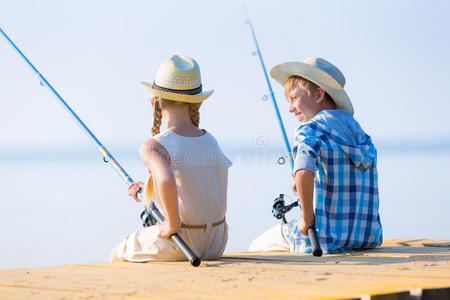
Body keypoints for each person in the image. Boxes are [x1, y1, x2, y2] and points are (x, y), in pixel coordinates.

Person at [249, 57, 382, 254]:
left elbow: (303, 172)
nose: (290, 107)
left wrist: (306, 218)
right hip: (365, 237)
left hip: (323, 238)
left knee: (257, 246)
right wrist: (304, 185)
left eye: (294, 98)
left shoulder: (310, 130)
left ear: (319, 94)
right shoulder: (360, 134)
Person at [110, 55, 232, 262]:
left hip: (181, 241)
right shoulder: (210, 140)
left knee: (116, 253)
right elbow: (191, 183)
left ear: (153, 102)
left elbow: (167, 180)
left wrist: (172, 225)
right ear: (198, 104)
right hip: (216, 242)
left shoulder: (152, 146)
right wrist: (148, 189)